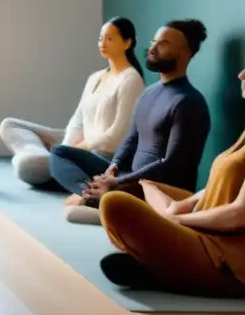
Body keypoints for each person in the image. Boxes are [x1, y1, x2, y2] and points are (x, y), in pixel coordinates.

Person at [100, 34, 245, 297]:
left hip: (238, 265)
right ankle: (164, 265)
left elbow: (243, 214)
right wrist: (180, 206)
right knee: (138, 189)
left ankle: (163, 268)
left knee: (113, 205)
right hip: (213, 235)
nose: (241, 74)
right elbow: (218, 187)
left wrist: (178, 220)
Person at [49, 19, 211, 225]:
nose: (152, 48)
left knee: (72, 214)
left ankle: (103, 202)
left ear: (184, 53)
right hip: (128, 178)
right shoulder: (150, 93)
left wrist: (118, 182)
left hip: (157, 189)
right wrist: (113, 169)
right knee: (59, 153)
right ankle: (95, 196)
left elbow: (172, 165)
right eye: (154, 41)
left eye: (163, 43)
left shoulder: (189, 102)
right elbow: (131, 138)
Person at [0, 17, 145, 186]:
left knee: (28, 167)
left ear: (127, 43)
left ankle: (46, 160)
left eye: (109, 38)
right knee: (10, 125)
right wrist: (66, 147)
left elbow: (116, 137)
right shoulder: (95, 78)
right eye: (100, 38)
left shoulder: (131, 80)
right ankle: (48, 158)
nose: (102, 43)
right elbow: (77, 121)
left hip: (101, 156)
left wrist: (72, 150)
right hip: (78, 146)